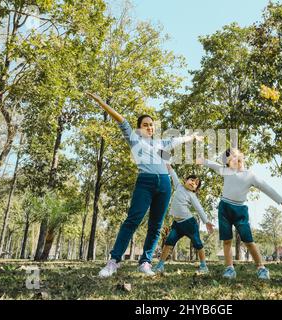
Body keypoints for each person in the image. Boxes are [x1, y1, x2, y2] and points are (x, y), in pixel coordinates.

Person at [86, 93, 203, 277]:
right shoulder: (134, 139)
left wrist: (193, 136)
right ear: (139, 128)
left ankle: (145, 262)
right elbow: (121, 120)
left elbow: (178, 140)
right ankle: (113, 261)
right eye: (145, 124)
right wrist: (101, 103)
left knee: (156, 226)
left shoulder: (160, 143)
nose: (149, 127)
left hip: (164, 184)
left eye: (151, 124)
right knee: (132, 220)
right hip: (145, 182)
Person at [197, 148, 282, 280]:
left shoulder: (250, 175)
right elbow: (212, 164)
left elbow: (266, 188)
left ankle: (261, 268)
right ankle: (229, 268)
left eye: (234, 156)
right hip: (224, 208)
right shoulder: (226, 171)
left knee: (248, 241)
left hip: (240, 211)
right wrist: (202, 160)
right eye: (228, 159)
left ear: (240, 157)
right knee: (226, 240)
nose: (232, 159)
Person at [153, 164, 214, 274]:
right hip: (177, 224)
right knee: (168, 243)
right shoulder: (178, 186)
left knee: (198, 244)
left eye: (196, 184)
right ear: (185, 180)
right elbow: (174, 175)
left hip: (189, 223)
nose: (193, 183)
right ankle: (160, 265)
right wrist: (169, 167)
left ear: (195, 189)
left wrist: (206, 222)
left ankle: (204, 266)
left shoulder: (191, 195)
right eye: (192, 180)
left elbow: (199, 208)